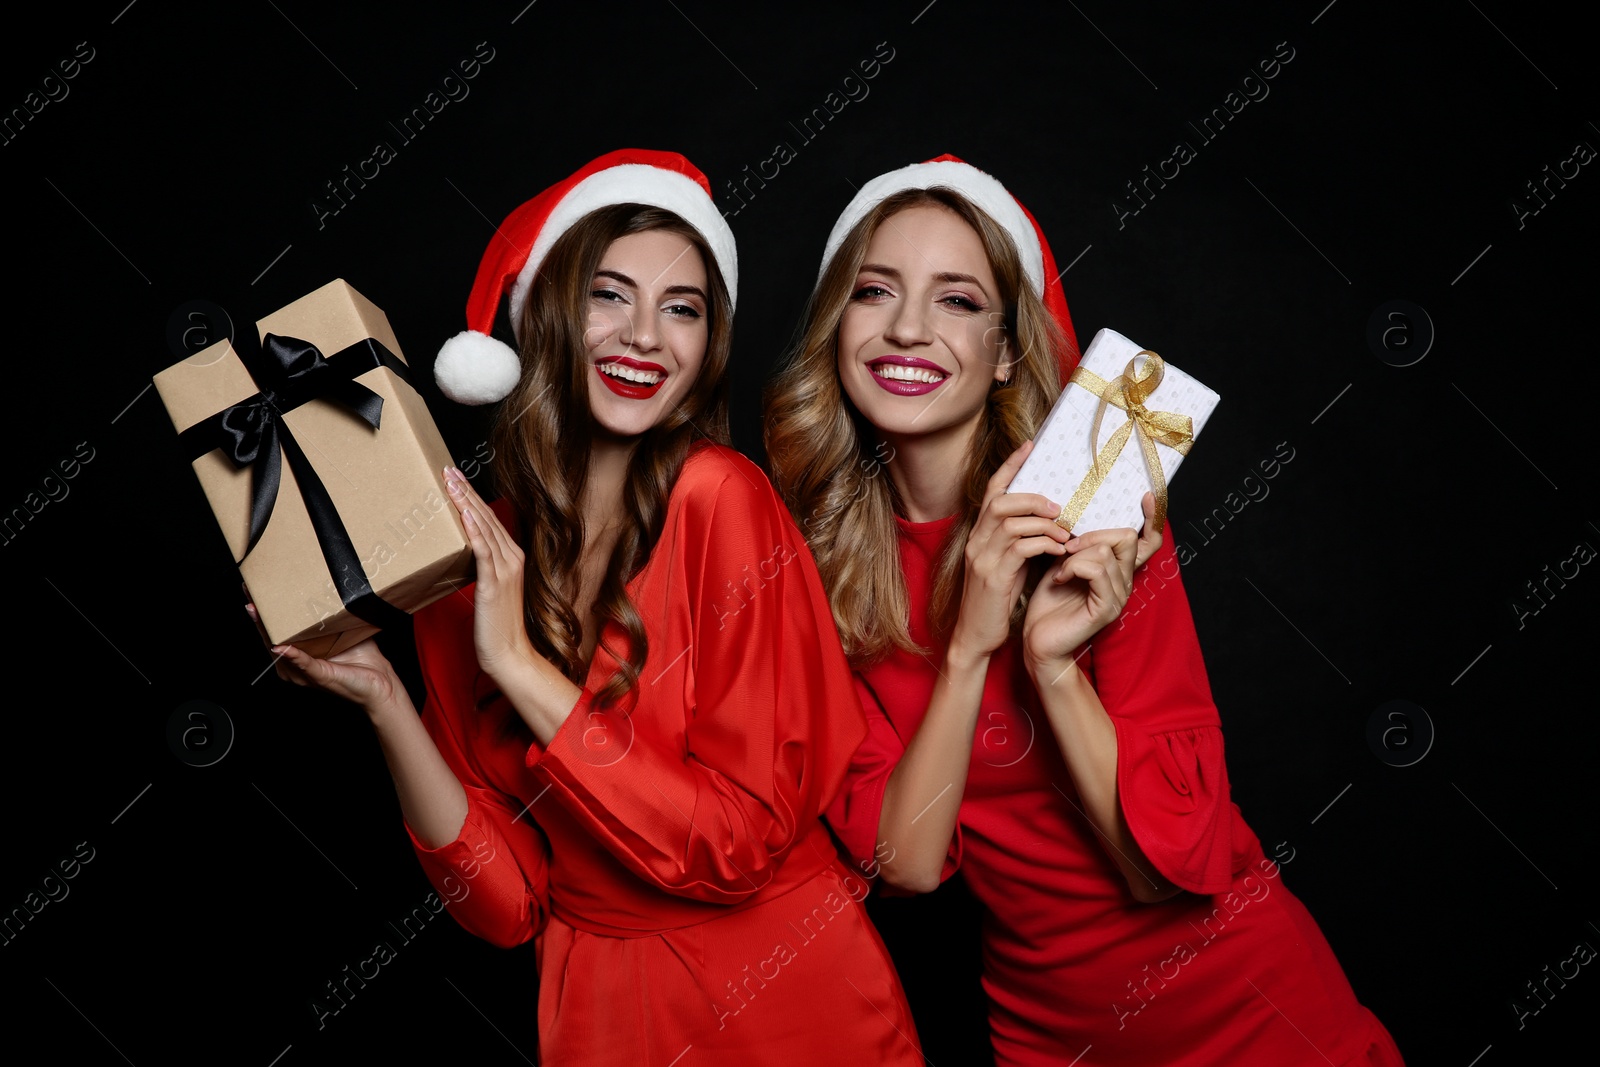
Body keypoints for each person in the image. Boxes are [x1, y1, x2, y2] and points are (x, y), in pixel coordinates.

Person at [268, 149, 922, 1066]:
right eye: (608, 296)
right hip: (598, 1009)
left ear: (707, 350)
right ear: (544, 316)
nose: (646, 336)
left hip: (781, 990)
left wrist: (524, 671)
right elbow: (507, 909)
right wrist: (385, 701)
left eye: (682, 309)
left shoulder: (721, 501)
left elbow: (735, 846)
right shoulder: (472, 553)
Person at [764, 155, 1403, 1065]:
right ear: (837, 326)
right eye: (875, 291)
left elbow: (1158, 874)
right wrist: (969, 648)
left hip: (1248, 1007)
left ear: (1007, 352)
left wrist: (1053, 668)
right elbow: (903, 863)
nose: (907, 327)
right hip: (1050, 1030)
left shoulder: (1103, 504)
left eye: (957, 301)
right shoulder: (812, 564)